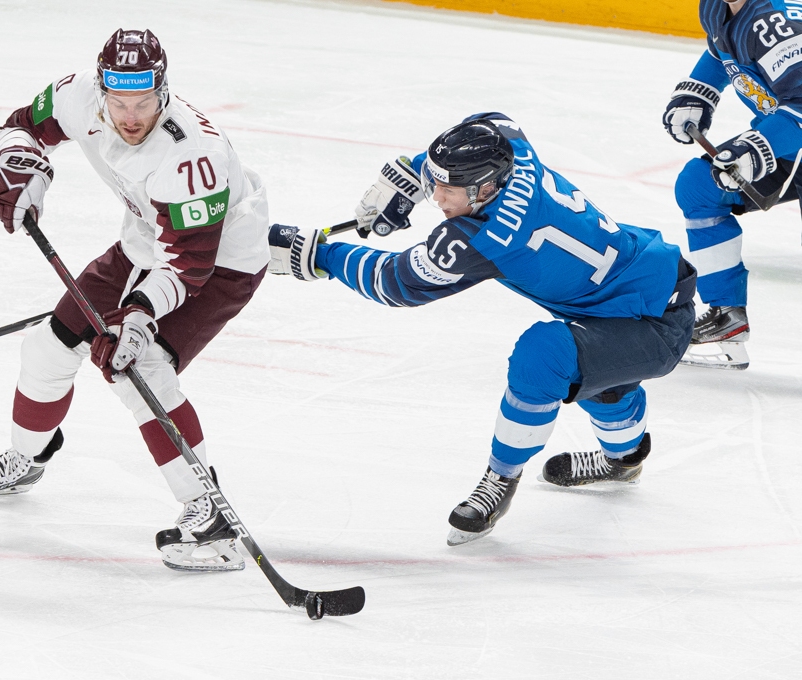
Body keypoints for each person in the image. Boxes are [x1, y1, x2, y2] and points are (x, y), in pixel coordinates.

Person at [268, 114, 697, 544]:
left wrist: (322, 256)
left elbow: (396, 283)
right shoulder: (515, 152)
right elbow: (493, 120)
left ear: (486, 188)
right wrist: (412, 177)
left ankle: (501, 479)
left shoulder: (485, 236)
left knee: (545, 355)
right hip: (638, 283)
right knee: (598, 376)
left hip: (656, 318)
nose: (436, 197)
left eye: (447, 189)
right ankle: (625, 460)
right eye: (434, 184)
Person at [0, 28, 270, 572]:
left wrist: (138, 317)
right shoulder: (79, 97)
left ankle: (212, 521)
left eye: (143, 101)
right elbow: (24, 125)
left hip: (221, 262)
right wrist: (22, 168)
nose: (130, 115)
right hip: (144, 239)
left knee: (140, 369)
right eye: (119, 101)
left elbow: (191, 263)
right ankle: (26, 461)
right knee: (47, 349)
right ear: (102, 90)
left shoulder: (193, 155)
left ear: (162, 89)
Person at [662, 0, 802, 369]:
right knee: (701, 185)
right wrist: (700, 88)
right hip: (791, 140)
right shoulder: (717, 6)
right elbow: (719, 47)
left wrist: (758, 147)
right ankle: (727, 316)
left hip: (791, 133)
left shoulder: (778, 23)